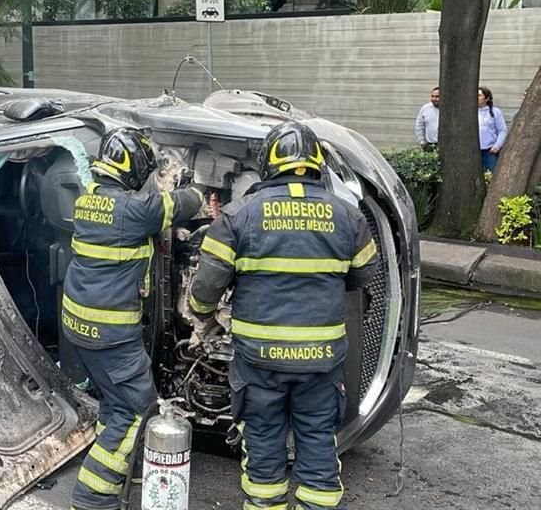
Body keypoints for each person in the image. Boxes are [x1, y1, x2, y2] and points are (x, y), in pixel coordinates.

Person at [189, 121, 379, 510]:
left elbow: (207, 286)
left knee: (262, 444)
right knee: (317, 441)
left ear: (268, 164)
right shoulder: (348, 216)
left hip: (261, 360)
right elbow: (364, 275)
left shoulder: (237, 215)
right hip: (320, 360)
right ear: (315, 164)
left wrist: (201, 314)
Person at [63, 128, 204, 510]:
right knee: (138, 408)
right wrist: (194, 187)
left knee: (114, 402)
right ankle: (93, 496)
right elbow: (186, 203)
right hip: (112, 331)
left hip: (80, 325)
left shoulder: (87, 200)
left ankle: (115, 474)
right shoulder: (134, 210)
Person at [478, 87, 507, 173]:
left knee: (491, 175)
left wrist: (497, 146)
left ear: (487, 98)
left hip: (489, 151)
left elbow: (502, 130)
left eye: (479, 95)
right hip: (474, 151)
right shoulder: (470, 111)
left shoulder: (495, 112)